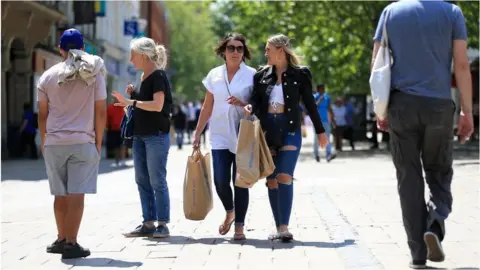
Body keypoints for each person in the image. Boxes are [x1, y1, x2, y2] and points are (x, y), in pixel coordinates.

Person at [372, 1, 473, 269]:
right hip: (438, 106)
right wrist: (467, 112)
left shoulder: (391, 12)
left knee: (409, 178)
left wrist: (379, 109)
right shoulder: (452, 12)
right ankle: (436, 220)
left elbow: (377, 63)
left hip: (401, 105)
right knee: (439, 170)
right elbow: (461, 65)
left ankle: (417, 254)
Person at [245, 34, 328, 242]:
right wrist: (250, 107)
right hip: (268, 130)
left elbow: (309, 104)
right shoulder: (261, 75)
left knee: (284, 175)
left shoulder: (301, 74)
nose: (265, 53)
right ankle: (278, 225)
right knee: (272, 179)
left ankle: (284, 227)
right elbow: (256, 99)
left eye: (268, 49)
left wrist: (320, 131)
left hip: (290, 128)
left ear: (280, 50)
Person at [38, 28, 107, 259]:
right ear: (83, 49)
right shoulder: (94, 74)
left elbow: (42, 114)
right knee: (77, 195)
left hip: (55, 142)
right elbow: (100, 111)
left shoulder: (47, 76)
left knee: (60, 195)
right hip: (82, 141)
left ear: (60, 49)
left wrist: (44, 140)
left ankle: (60, 238)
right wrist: (98, 142)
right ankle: (71, 243)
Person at [194, 33, 255, 241]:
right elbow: (207, 105)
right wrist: (197, 133)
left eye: (239, 48)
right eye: (231, 48)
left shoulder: (252, 75)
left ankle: (239, 227)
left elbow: (257, 105)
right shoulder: (214, 75)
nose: (235, 52)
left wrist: (243, 104)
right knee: (220, 181)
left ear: (244, 52)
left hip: (243, 134)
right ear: (224, 51)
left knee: (240, 182)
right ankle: (230, 210)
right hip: (219, 134)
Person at [113, 37, 173, 238]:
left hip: (155, 136)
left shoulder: (158, 76)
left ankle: (162, 223)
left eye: (133, 55)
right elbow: (141, 102)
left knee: (157, 180)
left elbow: (157, 105)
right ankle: (148, 222)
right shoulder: (143, 77)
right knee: (141, 179)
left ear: (144, 55)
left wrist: (132, 101)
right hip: (140, 136)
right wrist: (132, 96)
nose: (131, 60)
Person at [313, 84, 335, 162]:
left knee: (327, 137)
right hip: (317, 121)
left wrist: (333, 119)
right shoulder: (315, 96)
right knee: (316, 139)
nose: (324, 90)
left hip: (326, 121)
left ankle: (328, 154)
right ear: (318, 89)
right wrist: (319, 100)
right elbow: (312, 107)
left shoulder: (327, 97)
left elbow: (329, 107)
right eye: (322, 89)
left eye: (324, 88)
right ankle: (316, 154)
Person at [107, 100, 126, 166]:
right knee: (116, 146)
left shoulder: (124, 106)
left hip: (122, 129)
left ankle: (123, 160)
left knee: (123, 145)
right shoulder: (110, 108)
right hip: (114, 130)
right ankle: (117, 160)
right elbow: (108, 118)